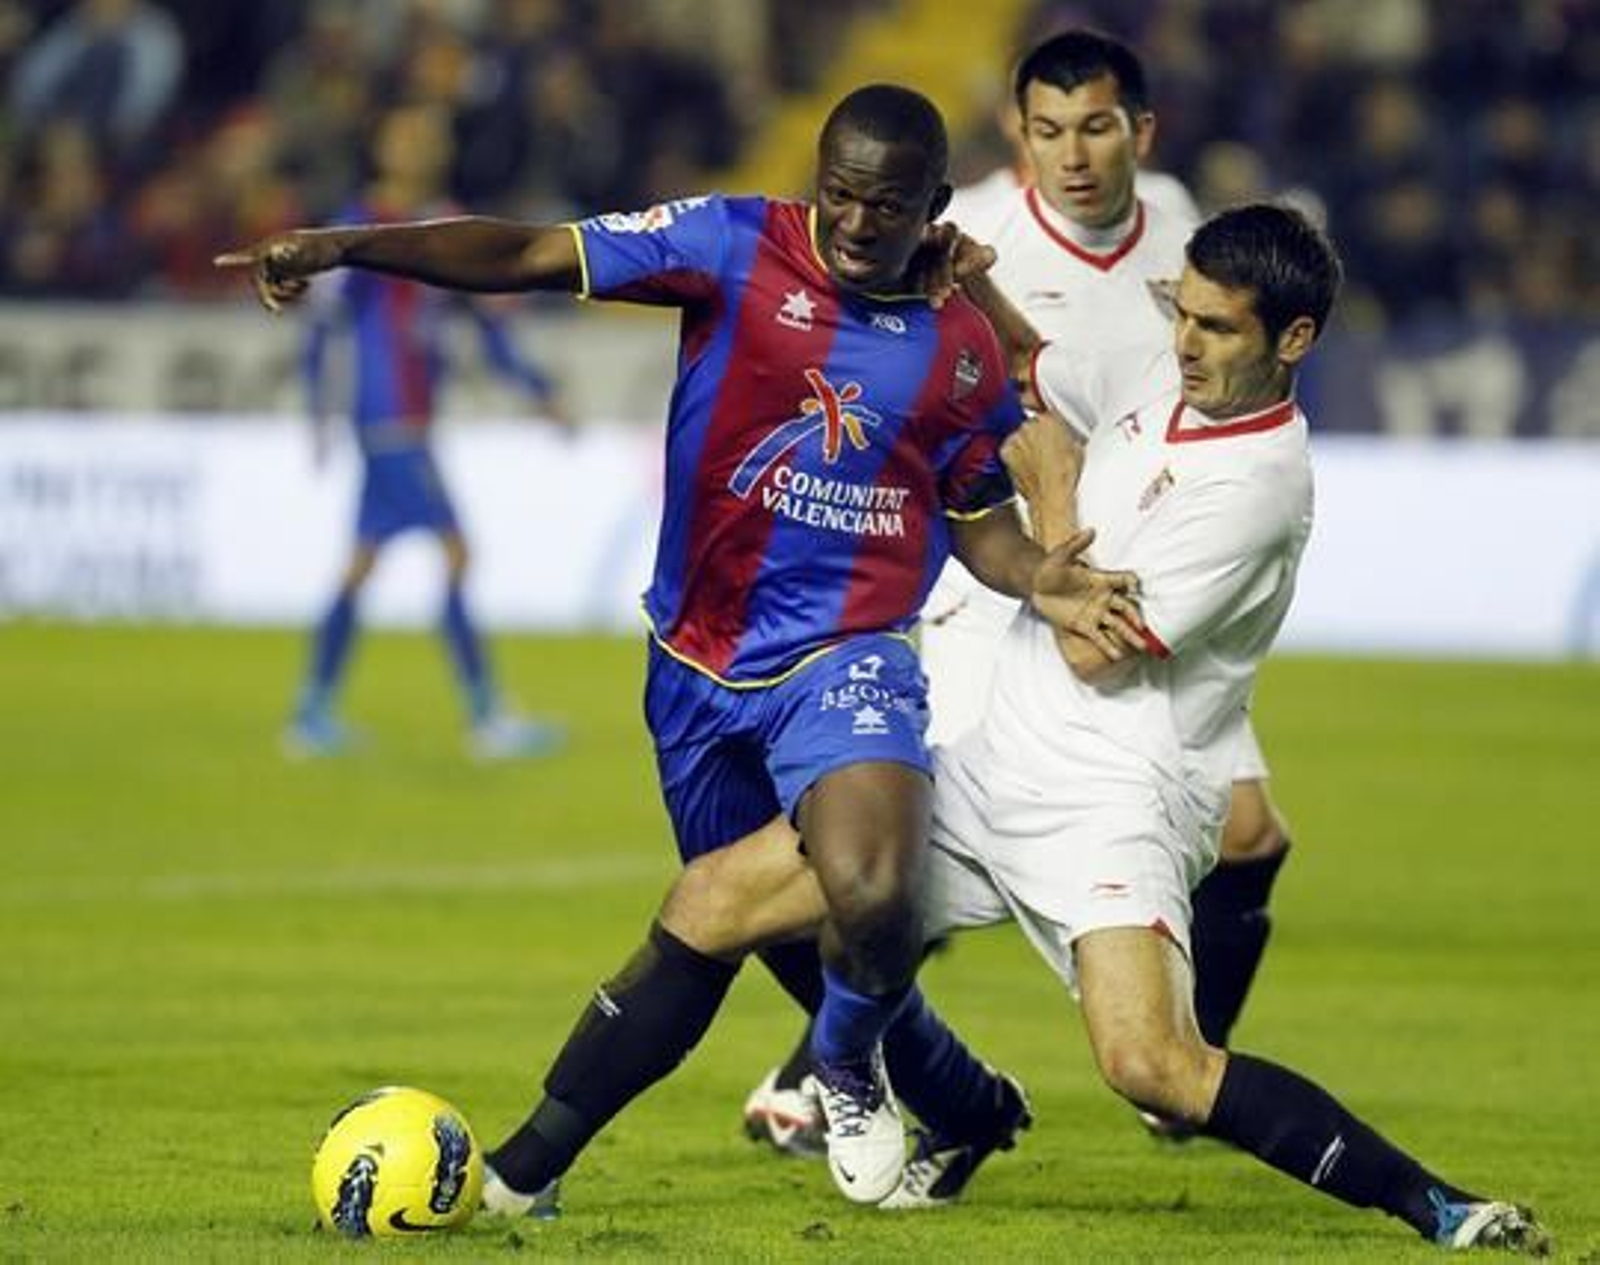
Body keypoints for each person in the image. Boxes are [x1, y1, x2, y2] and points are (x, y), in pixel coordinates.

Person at [218, 84, 1137, 1208]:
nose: (854, 223)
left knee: (873, 882)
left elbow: (976, 517)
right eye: (838, 195)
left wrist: (1035, 573)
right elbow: (526, 253)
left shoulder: (957, 346)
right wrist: (343, 246)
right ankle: (964, 1100)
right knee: (786, 944)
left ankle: (780, 1093)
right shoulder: (731, 242)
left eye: (886, 206)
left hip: (850, 655)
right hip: (696, 669)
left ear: (931, 207)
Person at [656, 201, 1552, 1250]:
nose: (1186, 341)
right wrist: (972, 284)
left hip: (1115, 793)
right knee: (797, 900)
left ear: (1292, 341)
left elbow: (1091, 645)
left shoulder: (1256, 489)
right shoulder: (1163, 375)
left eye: (1218, 328)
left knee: (1153, 1068)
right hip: (993, 758)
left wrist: (1050, 488)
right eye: (1185, 312)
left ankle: (1441, 1208)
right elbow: (1036, 366)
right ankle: (951, 1105)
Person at [744, 28, 1297, 1152]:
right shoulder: (971, 236)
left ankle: (1171, 1080)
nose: (1074, 155)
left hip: (1134, 565)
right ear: (1016, 132)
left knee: (1252, 836)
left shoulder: (1190, 231)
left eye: (1096, 127)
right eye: (1049, 130)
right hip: (1004, 581)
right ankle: (813, 1075)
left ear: (1139, 132)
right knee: (929, 843)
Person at [281, 103, 565, 761]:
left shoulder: (444, 222)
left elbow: (484, 322)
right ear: (384, 146)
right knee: (457, 551)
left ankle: (312, 711)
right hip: (388, 417)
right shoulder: (359, 228)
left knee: (361, 564)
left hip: (410, 419)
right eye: (406, 133)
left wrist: (537, 389)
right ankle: (487, 715)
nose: (420, 144)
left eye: (428, 135)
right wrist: (320, 411)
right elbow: (323, 324)